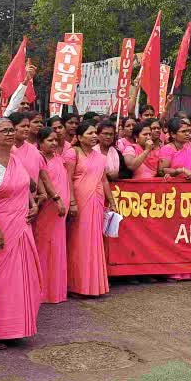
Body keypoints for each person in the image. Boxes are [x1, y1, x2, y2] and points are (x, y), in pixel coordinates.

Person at [0, 118, 43, 346]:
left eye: (11, 130)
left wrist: (32, 204)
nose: (10, 134)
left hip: (21, 225)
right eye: (4, 131)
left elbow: (25, 186)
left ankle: (16, 327)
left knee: (22, 277)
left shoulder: (15, 160)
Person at [68, 120, 117, 296]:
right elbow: (68, 179)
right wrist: (72, 202)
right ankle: (77, 285)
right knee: (79, 242)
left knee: (95, 241)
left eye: (95, 133)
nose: (94, 136)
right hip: (80, 201)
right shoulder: (73, 153)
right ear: (79, 137)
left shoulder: (100, 157)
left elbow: (103, 179)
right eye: (89, 133)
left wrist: (111, 201)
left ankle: (94, 286)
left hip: (97, 200)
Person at [35, 126, 72, 304]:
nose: (54, 143)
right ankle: (41, 291)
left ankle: (56, 291)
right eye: (49, 140)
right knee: (43, 246)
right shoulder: (39, 159)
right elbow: (41, 183)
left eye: (55, 140)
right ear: (40, 143)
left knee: (57, 247)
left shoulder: (59, 158)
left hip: (60, 210)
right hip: (48, 208)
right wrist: (56, 200)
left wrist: (69, 201)